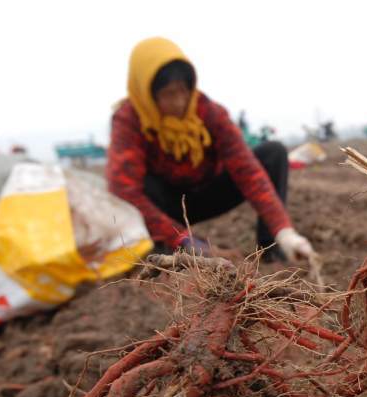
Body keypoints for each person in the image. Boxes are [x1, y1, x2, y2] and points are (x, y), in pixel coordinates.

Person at [106, 37, 314, 261]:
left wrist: (284, 230)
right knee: (139, 186)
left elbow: (247, 169)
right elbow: (123, 189)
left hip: (208, 192)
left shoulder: (208, 112)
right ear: (147, 93)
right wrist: (183, 239)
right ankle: (167, 247)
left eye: (183, 91)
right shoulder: (129, 120)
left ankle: (271, 248)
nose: (179, 102)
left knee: (273, 153)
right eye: (168, 94)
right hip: (167, 205)